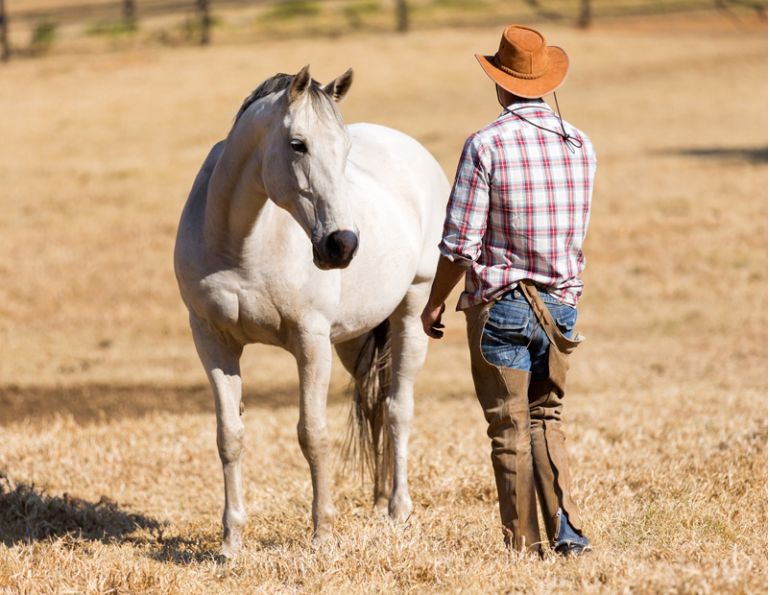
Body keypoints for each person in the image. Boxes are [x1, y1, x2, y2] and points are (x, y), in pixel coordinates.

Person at [421, 24, 596, 557]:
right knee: (547, 418)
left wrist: (435, 301)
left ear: (500, 85)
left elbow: (459, 244)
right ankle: (564, 531)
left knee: (508, 425)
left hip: (502, 307)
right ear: (547, 83)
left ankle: (522, 546)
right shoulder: (580, 144)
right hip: (561, 308)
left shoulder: (485, 145)